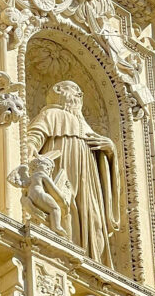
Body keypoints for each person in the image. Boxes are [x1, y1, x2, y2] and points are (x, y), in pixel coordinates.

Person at [26, 81, 119, 266]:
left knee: (95, 221)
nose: (80, 94)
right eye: (75, 89)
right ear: (59, 90)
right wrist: (29, 149)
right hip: (63, 170)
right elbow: (34, 136)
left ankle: (94, 263)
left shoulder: (85, 126)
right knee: (64, 210)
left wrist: (110, 150)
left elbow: (106, 164)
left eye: (80, 92)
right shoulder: (51, 114)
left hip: (89, 179)